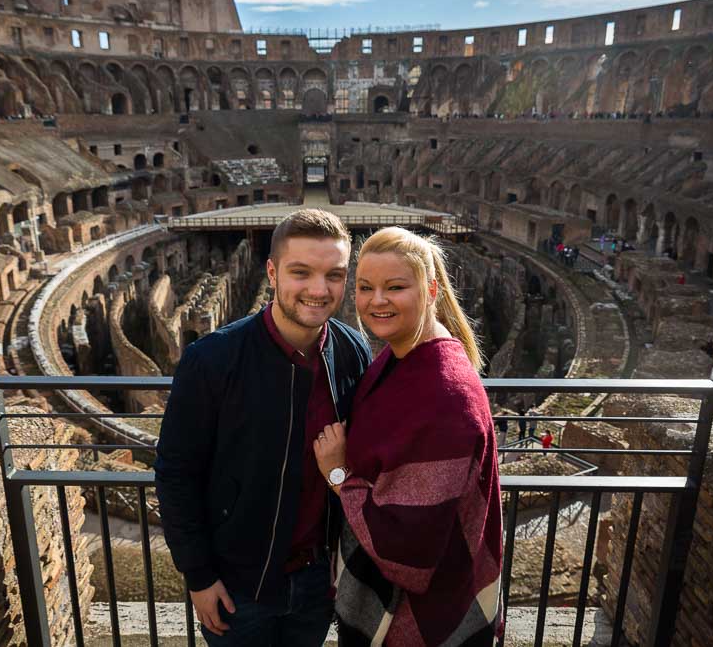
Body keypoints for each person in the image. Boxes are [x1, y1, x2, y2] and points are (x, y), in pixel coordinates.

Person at [155, 209, 372, 646]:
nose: (318, 289)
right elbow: (177, 472)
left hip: (317, 579)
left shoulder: (353, 351)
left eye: (334, 275)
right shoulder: (211, 360)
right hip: (238, 585)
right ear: (272, 273)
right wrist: (198, 576)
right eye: (301, 272)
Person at [313, 227, 503, 646]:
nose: (376, 301)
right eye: (365, 287)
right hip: (390, 606)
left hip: (416, 621)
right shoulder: (400, 359)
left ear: (431, 289)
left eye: (395, 287)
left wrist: (339, 474)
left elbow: (408, 554)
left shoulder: (446, 395)